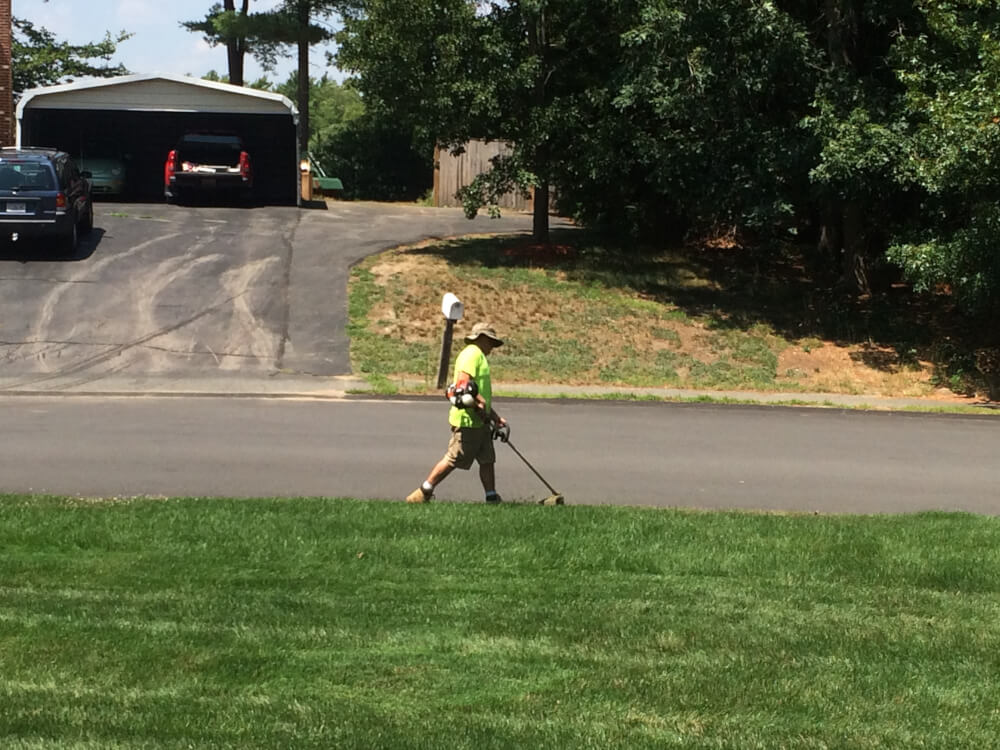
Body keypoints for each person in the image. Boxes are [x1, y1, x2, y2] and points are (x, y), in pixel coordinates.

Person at [407, 322, 508, 504]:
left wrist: (494, 417)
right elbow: (463, 385)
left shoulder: (478, 356)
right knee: (454, 458)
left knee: (487, 459)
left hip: (480, 421)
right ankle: (423, 492)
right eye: (491, 342)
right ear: (482, 338)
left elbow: (480, 393)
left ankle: (492, 497)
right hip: (468, 421)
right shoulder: (471, 355)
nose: (492, 347)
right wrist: (478, 406)